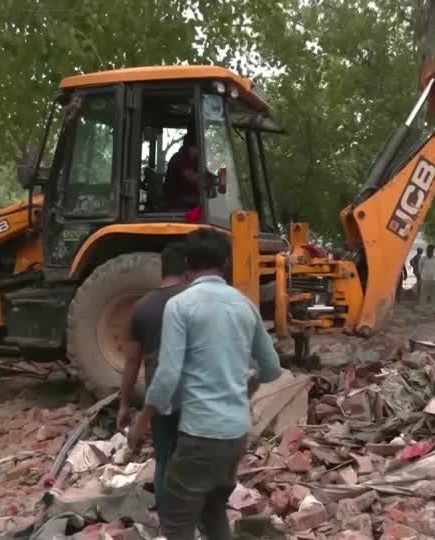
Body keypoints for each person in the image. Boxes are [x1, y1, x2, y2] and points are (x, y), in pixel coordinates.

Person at [130, 228, 281, 540]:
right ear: (225, 263)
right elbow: (271, 368)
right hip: (236, 435)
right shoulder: (244, 305)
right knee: (213, 512)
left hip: (201, 433)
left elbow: (167, 375)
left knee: (176, 519)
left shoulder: (182, 305)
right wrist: (246, 388)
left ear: (188, 265)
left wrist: (141, 421)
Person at [117, 243, 188, 514]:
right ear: (188, 268)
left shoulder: (142, 307)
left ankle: (167, 523)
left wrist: (125, 404)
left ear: (163, 269)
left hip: (159, 397)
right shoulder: (194, 299)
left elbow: (132, 360)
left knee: (164, 460)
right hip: (197, 396)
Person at [164, 132, 202, 210]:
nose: (199, 152)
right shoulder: (179, 158)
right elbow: (190, 177)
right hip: (178, 201)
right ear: (190, 147)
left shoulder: (193, 160)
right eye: (198, 148)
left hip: (186, 198)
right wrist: (207, 178)